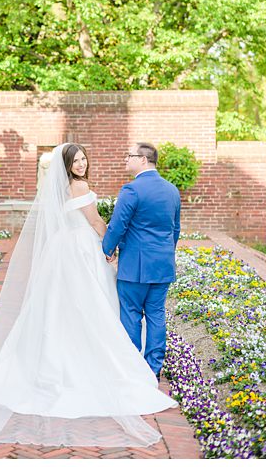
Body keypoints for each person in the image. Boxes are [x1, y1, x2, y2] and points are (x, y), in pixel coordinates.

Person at [0, 143, 173, 450]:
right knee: (90, 305)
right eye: (76, 160)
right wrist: (110, 248)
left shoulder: (60, 188)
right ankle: (114, 363)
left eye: (84, 158)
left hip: (63, 250)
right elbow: (96, 223)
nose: (82, 163)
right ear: (67, 164)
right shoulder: (80, 186)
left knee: (61, 306)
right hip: (82, 250)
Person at [102, 140, 183, 376]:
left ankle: (132, 368)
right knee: (156, 315)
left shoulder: (131, 190)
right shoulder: (172, 190)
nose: (126, 159)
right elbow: (175, 229)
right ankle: (153, 368)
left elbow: (117, 226)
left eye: (130, 156)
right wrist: (166, 252)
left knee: (131, 314)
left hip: (134, 267)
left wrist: (107, 249)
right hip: (162, 265)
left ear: (143, 160)